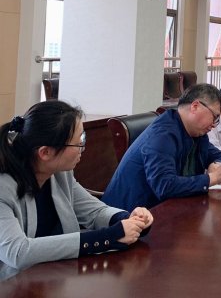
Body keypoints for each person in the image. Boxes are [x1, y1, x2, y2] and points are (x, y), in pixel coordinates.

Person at [0, 101, 153, 277]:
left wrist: (129, 220)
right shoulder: (3, 188)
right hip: (13, 284)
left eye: (83, 138)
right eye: (78, 142)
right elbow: (18, 252)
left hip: (51, 277)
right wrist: (107, 237)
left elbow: (94, 212)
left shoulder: (59, 173)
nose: (83, 148)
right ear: (45, 153)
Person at [102, 84, 221, 210]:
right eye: (215, 117)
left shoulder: (197, 133)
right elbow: (165, 186)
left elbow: (220, 155)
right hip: (130, 216)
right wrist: (213, 178)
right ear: (195, 106)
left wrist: (215, 164)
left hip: (166, 208)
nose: (214, 125)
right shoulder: (162, 136)